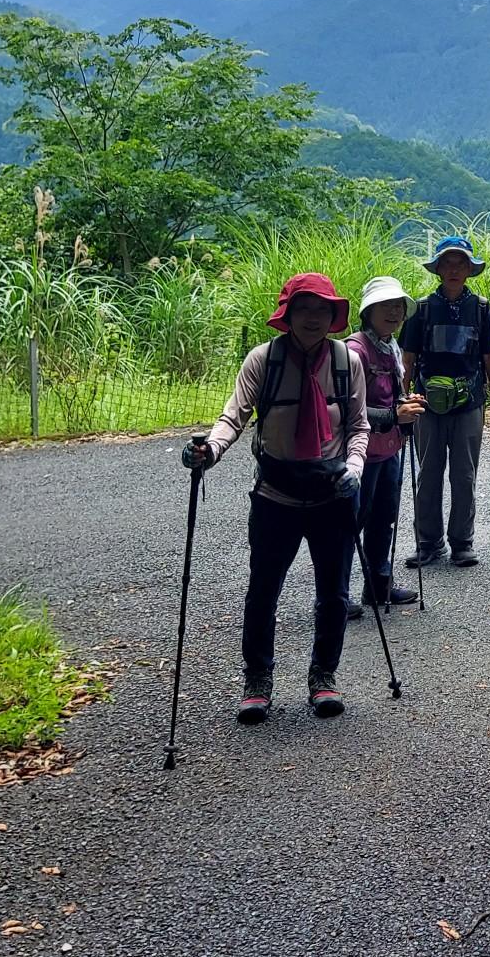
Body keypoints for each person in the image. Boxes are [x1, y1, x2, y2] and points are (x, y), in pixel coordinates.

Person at [184, 272, 369, 723]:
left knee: (335, 593)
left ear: (333, 317)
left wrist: (356, 469)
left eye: (322, 310)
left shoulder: (347, 363)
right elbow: (234, 417)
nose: (313, 318)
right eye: (304, 309)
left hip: (332, 494)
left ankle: (324, 676)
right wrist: (209, 450)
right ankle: (257, 679)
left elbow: (359, 426)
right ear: (287, 315)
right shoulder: (262, 361)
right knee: (263, 590)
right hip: (275, 495)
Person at [401, 235, 490, 569]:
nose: (454, 269)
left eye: (460, 262)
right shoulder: (422, 309)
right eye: (448, 262)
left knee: (464, 475)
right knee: (428, 474)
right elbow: (408, 358)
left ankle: (462, 543)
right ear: (439, 268)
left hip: (470, 402)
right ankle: (429, 543)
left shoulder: (481, 308)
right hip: (427, 404)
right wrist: (403, 400)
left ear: (469, 269)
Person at [343, 276, 425, 621]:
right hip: (359, 452)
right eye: (386, 306)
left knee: (383, 519)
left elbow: (390, 396)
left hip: (389, 446)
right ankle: (337, 593)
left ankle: (378, 585)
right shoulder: (355, 350)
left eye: (399, 307)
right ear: (368, 311)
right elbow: (345, 407)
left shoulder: (390, 346)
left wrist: (406, 405)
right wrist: (394, 413)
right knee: (350, 522)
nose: (394, 312)